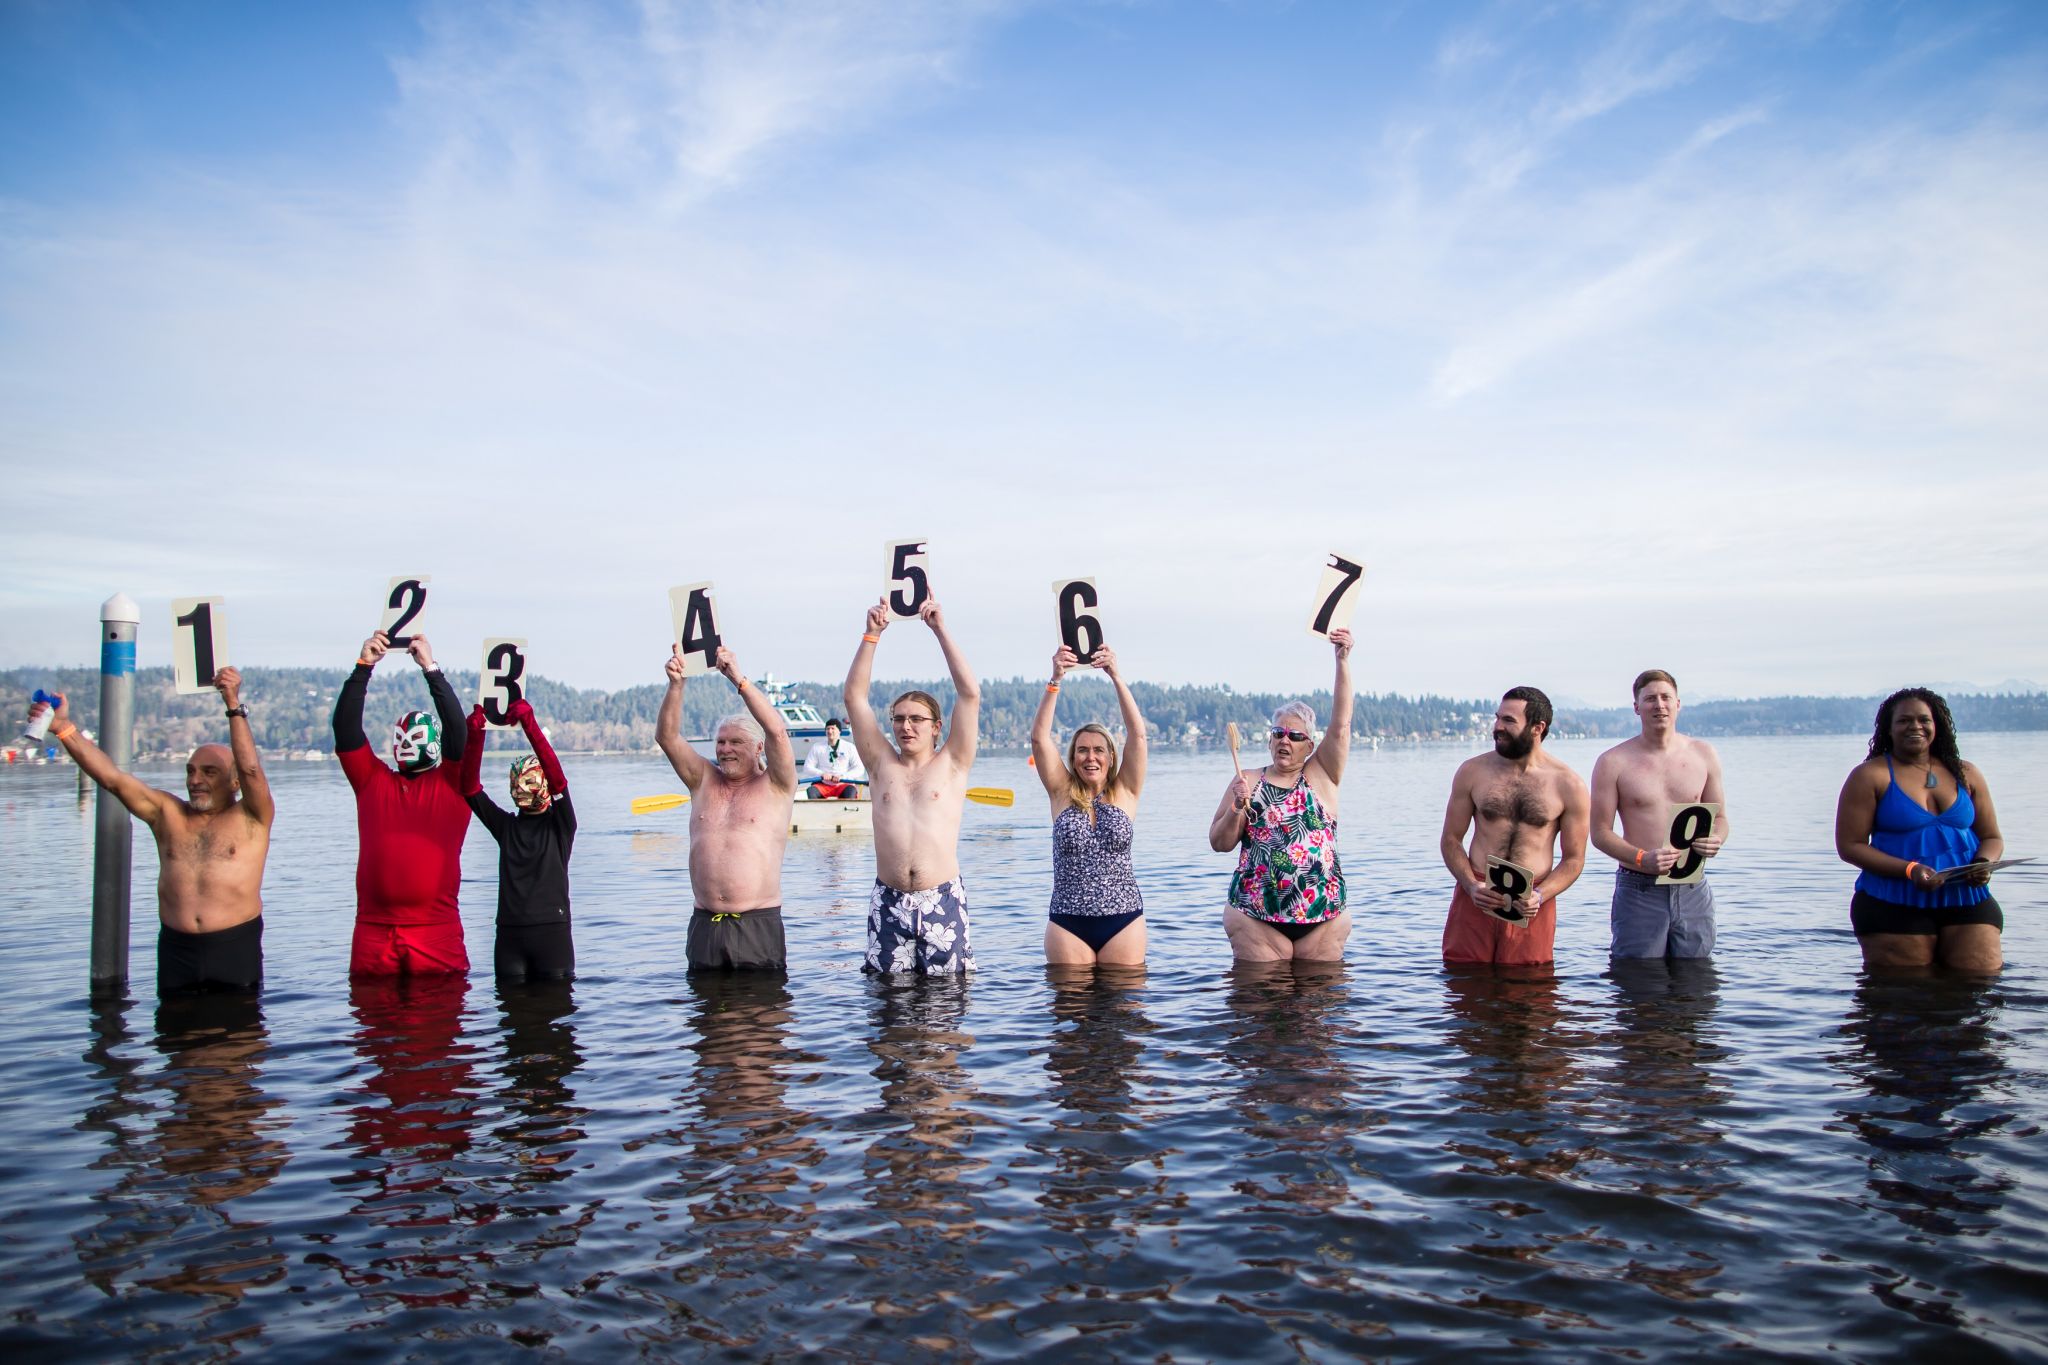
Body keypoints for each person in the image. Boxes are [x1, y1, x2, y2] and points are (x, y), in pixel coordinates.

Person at [30, 668, 273, 993]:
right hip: (177, 952)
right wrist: (63, 728)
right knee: (175, 1039)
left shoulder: (252, 816)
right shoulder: (168, 814)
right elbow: (112, 779)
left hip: (233, 949)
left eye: (209, 772)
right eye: (191, 771)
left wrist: (232, 703)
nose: (196, 780)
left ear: (234, 783)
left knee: (238, 1041)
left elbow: (251, 769)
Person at [843, 595, 981, 974]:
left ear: (936, 727)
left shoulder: (953, 762)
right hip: (889, 900)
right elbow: (854, 698)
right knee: (887, 1005)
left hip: (942, 897)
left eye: (917, 719)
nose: (906, 726)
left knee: (949, 1001)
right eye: (899, 719)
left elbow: (969, 694)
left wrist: (939, 629)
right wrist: (871, 636)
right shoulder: (879, 763)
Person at [1835, 688, 2006, 973]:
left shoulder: (1967, 774)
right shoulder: (1869, 776)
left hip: (1967, 897)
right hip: (1892, 900)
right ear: (1888, 729)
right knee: (1906, 996)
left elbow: (1991, 836)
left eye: (1924, 720)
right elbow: (1850, 846)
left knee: (1980, 986)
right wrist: (1910, 869)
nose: (1915, 726)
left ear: (1936, 725)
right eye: (1904, 721)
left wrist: (1983, 863)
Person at [1207, 629, 1354, 962]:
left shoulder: (1322, 775)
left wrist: (1342, 660)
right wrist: (1237, 807)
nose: (1285, 741)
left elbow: (1341, 725)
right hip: (1255, 916)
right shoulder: (1247, 779)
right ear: (1270, 740)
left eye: (1295, 736)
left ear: (1310, 745)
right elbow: (1218, 842)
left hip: (1321, 917)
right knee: (1262, 1005)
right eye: (1278, 734)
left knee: (1317, 1008)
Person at [334, 630, 472, 976]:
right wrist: (363, 666)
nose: (407, 743)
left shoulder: (452, 782)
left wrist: (431, 668)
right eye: (403, 737)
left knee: (439, 1024)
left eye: (415, 737)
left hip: (434, 932)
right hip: (374, 931)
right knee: (371, 1026)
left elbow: (459, 731)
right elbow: (346, 729)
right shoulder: (371, 780)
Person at [657, 643, 798, 971]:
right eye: (720, 742)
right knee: (705, 1018)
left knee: (763, 1018)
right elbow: (667, 737)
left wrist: (738, 678)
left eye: (736, 742)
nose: (725, 749)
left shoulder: (776, 784)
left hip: (757, 924)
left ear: (757, 747)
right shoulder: (702, 780)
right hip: (705, 924)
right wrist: (676, 686)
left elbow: (777, 732)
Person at [1439, 686, 1589, 966]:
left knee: (1531, 993)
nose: (1497, 727)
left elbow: (1574, 860)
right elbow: (1450, 840)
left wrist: (1541, 896)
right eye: (1497, 718)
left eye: (1509, 721)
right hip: (1477, 894)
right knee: (1463, 984)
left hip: (1531, 903)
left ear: (1537, 727)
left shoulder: (1569, 785)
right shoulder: (1472, 772)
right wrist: (1471, 886)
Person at [1588, 670, 1728, 959]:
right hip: (1639, 886)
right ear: (1637, 707)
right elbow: (1600, 833)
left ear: (1678, 704)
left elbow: (1721, 819)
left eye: (1666, 698)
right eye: (1650, 699)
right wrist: (1642, 858)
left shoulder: (1703, 754)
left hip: (1692, 885)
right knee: (1639, 982)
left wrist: (1716, 839)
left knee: (1696, 981)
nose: (1659, 705)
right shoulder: (1613, 762)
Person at [1030, 643, 1150, 965]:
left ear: (1111, 757)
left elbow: (1137, 736)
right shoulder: (1061, 792)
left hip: (1123, 919)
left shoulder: (1126, 791)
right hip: (1068, 922)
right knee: (1071, 1008)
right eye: (1082, 750)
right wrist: (1055, 679)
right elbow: (1040, 739)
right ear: (1072, 757)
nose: (1090, 757)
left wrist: (1116, 676)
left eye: (1099, 750)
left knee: (1124, 1011)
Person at [461, 697, 577, 982]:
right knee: (521, 1015)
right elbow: (469, 789)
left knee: (548, 1014)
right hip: (513, 936)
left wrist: (530, 726)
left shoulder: (561, 825)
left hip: (548, 933)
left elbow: (557, 778)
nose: (525, 787)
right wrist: (475, 737)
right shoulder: (507, 827)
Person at [802, 718, 867, 800]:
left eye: (833, 729)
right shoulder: (817, 747)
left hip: (843, 784)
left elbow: (859, 769)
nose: (829, 731)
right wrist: (822, 774)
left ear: (839, 731)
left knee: (851, 791)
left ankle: (846, 811)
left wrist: (843, 776)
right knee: (811, 791)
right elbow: (807, 767)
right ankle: (818, 811)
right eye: (827, 729)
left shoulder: (849, 747)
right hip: (824, 784)